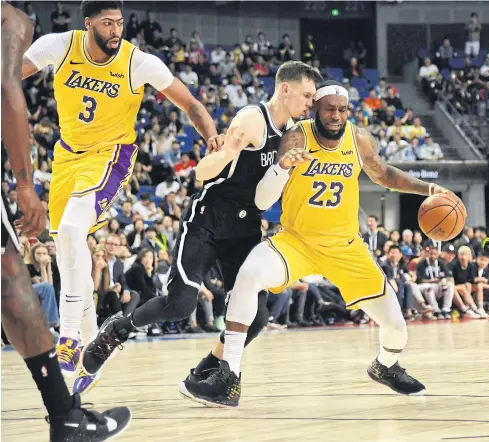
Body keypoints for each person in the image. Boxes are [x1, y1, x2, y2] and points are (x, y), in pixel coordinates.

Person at [180, 80, 460, 407]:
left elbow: (384, 174)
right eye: (330, 109)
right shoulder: (296, 136)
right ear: (316, 109)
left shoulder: (359, 139)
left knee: (397, 327)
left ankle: (386, 366)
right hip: (297, 242)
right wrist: (282, 168)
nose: (336, 115)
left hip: (345, 247)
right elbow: (261, 197)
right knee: (249, 274)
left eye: (342, 110)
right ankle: (229, 377)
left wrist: (430, 190)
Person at [21, 0, 223, 389]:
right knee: (66, 245)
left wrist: (211, 134)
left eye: (120, 22)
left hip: (111, 155)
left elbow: (191, 103)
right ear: (88, 23)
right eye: (108, 23)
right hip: (66, 157)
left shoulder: (138, 62)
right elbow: (10, 75)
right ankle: (92, 335)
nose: (117, 29)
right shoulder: (60, 46)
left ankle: (69, 338)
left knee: (74, 229)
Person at [81, 61, 323, 381]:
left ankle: (207, 369)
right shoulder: (253, 119)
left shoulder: (293, 135)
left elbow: (268, 194)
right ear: (286, 88)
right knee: (180, 305)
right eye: (307, 95)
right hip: (208, 219)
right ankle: (116, 330)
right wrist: (225, 154)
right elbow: (202, 172)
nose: (310, 104)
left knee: (258, 314)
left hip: (245, 226)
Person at [1, 2, 131, 440]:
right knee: (11, 279)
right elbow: (7, 87)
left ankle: (71, 381)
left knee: (34, 264)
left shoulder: (130, 61)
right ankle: (67, 407)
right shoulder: (13, 17)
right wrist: (23, 182)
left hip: (92, 157)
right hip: (65, 160)